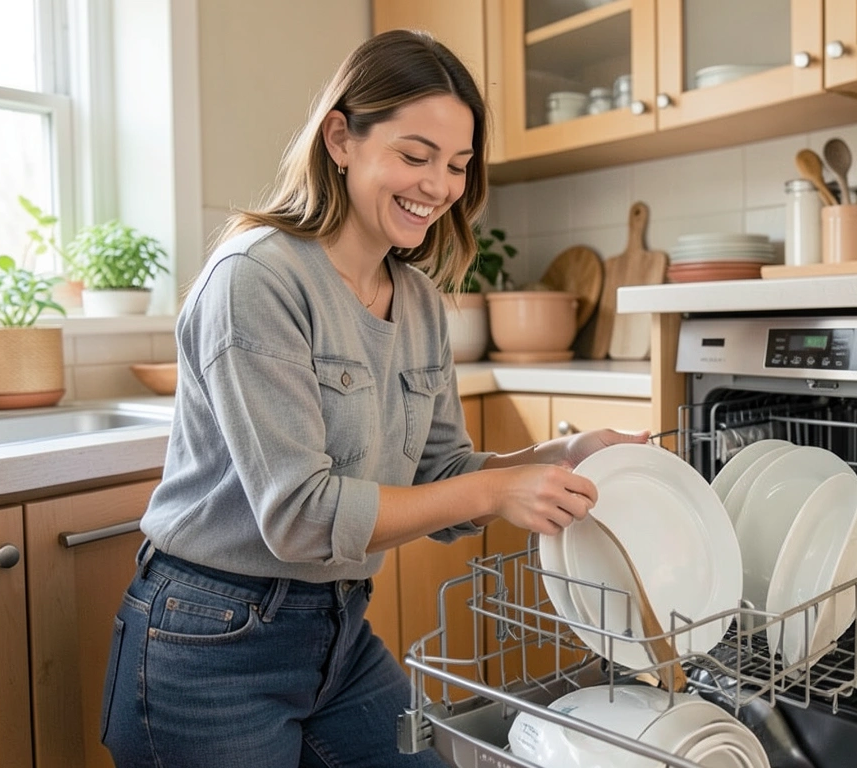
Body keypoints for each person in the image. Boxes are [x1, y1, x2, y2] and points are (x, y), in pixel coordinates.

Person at [101, 29, 647, 767]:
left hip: (336, 632)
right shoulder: (255, 279)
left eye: (457, 166)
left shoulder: (418, 300)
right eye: (415, 156)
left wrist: (564, 453)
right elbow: (299, 518)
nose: (439, 186)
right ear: (340, 138)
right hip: (208, 641)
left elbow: (438, 471)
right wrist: (496, 487)